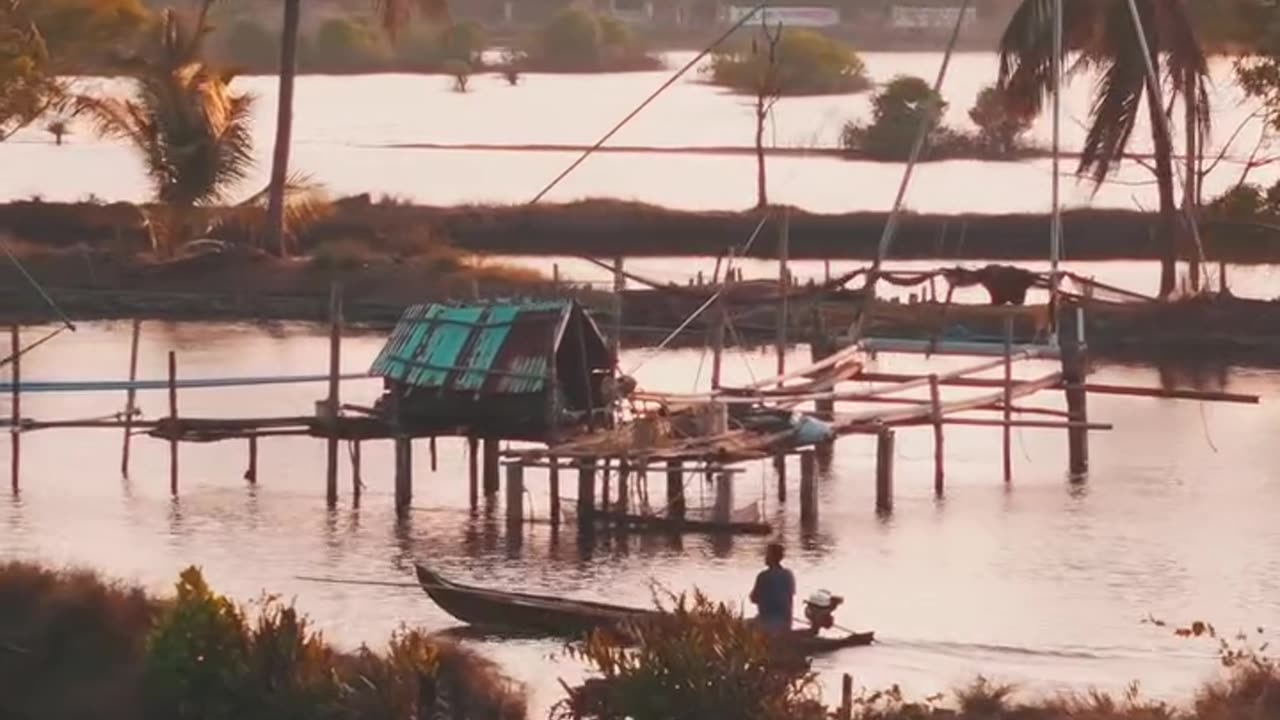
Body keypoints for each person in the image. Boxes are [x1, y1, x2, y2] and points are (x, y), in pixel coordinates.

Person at [749, 542, 795, 633]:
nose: (765, 557)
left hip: (766, 622)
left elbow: (753, 598)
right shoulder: (788, 575)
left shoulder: (763, 576)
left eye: (767, 554)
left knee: (742, 626)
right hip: (786, 622)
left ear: (772, 557)